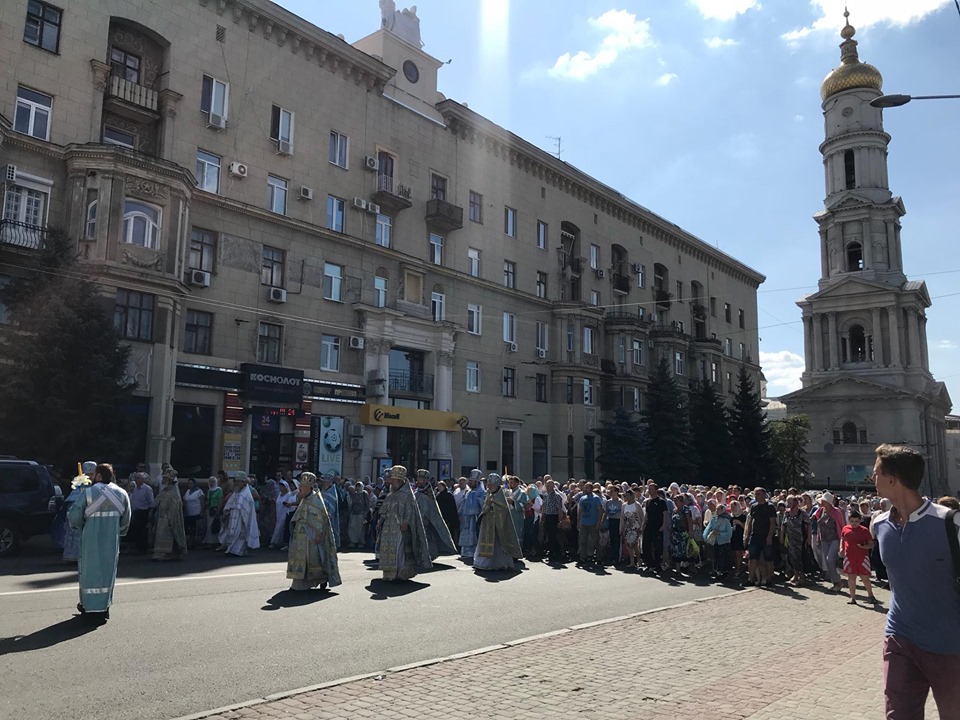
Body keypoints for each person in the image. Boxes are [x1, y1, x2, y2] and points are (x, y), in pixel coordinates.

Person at [870, 444, 960, 717]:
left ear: (892, 479)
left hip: (949, 645)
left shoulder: (950, 523)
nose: (872, 479)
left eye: (876, 473)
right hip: (899, 638)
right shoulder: (879, 524)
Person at [68, 463, 131, 622]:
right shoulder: (122, 493)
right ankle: (104, 608)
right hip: (111, 540)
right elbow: (126, 520)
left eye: (95, 474)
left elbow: (75, 516)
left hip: (90, 539)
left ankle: (89, 608)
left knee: (89, 573)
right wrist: (119, 532)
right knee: (107, 573)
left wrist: (76, 524)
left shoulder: (88, 492)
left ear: (99, 476)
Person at [286, 472, 342, 591]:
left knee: (316, 560)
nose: (299, 490)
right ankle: (299, 582)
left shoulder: (316, 500)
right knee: (302, 560)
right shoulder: (305, 499)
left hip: (313, 537)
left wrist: (319, 534)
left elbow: (321, 520)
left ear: (309, 487)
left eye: (302, 488)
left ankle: (322, 579)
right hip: (301, 536)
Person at [377, 465, 431, 581]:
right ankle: (389, 573)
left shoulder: (407, 494)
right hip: (388, 527)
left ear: (400, 481)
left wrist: (405, 522)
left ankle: (401, 571)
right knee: (388, 549)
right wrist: (380, 521)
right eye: (392, 480)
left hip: (400, 526)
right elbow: (384, 509)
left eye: (394, 480)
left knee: (399, 550)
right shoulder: (391, 493)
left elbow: (410, 510)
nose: (392, 482)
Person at [474, 473, 523, 571]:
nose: (489, 487)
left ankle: (500, 563)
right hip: (487, 524)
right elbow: (484, 509)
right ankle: (484, 563)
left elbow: (503, 511)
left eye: (491, 485)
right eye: (489, 485)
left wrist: (493, 507)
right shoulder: (489, 494)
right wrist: (487, 505)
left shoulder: (501, 496)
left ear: (496, 485)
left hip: (498, 526)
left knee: (499, 546)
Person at [52, 461, 97, 562]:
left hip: (78, 513)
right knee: (76, 535)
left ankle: (74, 555)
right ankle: (74, 555)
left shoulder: (87, 486)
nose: (91, 476)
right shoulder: (82, 486)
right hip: (77, 513)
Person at [413, 469, 456, 560]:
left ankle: (428, 555)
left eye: (420, 479)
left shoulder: (428, 494)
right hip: (416, 519)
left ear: (425, 480)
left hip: (425, 521)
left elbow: (432, 509)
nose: (418, 480)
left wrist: (427, 518)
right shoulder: (417, 491)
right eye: (418, 478)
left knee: (426, 538)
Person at [838, 509, 876, 605]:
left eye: (856, 521)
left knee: (865, 578)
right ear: (849, 520)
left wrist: (864, 546)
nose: (854, 523)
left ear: (860, 520)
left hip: (862, 557)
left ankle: (871, 595)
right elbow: (842, 539)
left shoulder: (865, 530)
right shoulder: (845, 529)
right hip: (849, 557)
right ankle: (853, 598)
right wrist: (841, 548)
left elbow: (871, 544)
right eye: (852, 521)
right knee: (851, 577)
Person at [218, 471, 260, 557]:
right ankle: (231, 549)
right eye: (235, 481)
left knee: (240, 535)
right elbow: (230, 503)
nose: (236, 483)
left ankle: (239, 551)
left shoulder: (247, 495)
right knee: (232, 532)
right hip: (233, 515)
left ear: (243, 482)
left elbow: (248, 509)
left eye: (238, 481)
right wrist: (227, 510)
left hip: (241, 518)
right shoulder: (236, 492)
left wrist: (242, 513)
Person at [743, 487, 777, 587]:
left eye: (758, 494)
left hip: (766, 535)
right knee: (752, 558)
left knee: (767, 558)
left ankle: (769, 579)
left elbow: (772, 523)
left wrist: (769, 536)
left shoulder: (770, 507)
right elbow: (750, 522)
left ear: (763, 495)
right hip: (755, 535)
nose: (756, 496)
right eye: (755, 494)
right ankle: (751, 578)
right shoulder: (754, 507)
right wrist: (748, 535)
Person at [153, 468, 187, 560]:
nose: (163, 480)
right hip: (161, 516)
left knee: (170, 535)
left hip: (169, 518)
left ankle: (170, 553)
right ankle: (161, 553)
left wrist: (169, 517)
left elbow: (175, 506)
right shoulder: (165, 490)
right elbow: (156, 501)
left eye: (165, 479)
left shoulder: (174, 492)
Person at [815, 492, 845, 592]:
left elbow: (842, 525)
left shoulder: (836, 512)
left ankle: (838, 581)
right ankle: (835, 582)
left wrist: (843, 540)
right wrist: (818, 538)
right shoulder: (820, 511)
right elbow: (819, 526)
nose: (822, 503)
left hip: (835, 538)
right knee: (827, 561)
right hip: (824, 539)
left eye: (824, 501)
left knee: (830, 559)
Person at [781, 495, 810, 585]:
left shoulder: (802, 513)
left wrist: (809, 538)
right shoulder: (787, 513)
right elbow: (783, 525)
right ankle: (795, 574)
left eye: (790, 502)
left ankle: (802, 576)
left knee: (799, 557)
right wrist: (782, 536)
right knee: (791, 557)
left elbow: (808, 525)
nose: (788, 504)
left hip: (800, 538)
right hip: (790, 538)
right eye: (787, 502)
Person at [458, 469, 486, 560]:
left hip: (475, 517)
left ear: (477, 482)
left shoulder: (482, 492)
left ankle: (474, 551)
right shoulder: (468, 491)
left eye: (472, 481)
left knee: (474, 534)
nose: (470, 483)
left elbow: (484, 504)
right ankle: (465, 551)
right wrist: (460, 513)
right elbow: (463, 502)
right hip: (466, 517)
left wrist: (477, 499)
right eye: (469, 481)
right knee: (465, 532)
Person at [577, 482, 603, 568]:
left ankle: (599, 557)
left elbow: (600, 510)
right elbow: (580, 511)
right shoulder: (582, 498)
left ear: (591, 489)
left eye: (587, 488)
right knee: (583, 540)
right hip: (584, 523)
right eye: (584, 488)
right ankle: (583, 557)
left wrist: (599, 522)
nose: (585, 489)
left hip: (593, 523)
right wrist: (578, 522)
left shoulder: (596, 498)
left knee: (596, 541)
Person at [128, 471, 154, 554]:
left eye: (138, 478)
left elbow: (151, 502)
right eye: (135, 478)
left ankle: (143, 548)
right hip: (136, 511)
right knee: (136, 530)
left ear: (142, 480)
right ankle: (137, 547)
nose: (136, 480)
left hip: (143, 511)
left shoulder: (147, 489)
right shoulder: (135, 489)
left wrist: (150, 512)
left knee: (142, 531)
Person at [620, 488, 643, 570]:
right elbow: (622, 518)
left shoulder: (637, 505)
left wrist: (641, 526)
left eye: (628, 495)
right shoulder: (624, 505)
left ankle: (639, 559)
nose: (627, 497)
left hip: (635, 527)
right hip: (627, 527)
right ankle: (632, 561)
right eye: (625, 495)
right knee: (628, 545)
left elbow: (641, 516)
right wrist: (621, 528)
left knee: (634, 544)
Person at [435, 480, 460, 551]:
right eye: (438, 486)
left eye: (440, 486)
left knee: (450, 532)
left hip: (449, 517)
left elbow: (453, 507)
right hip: (441, 516)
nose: (439, 487)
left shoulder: (449, 495)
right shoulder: (438, 495)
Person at [182, 477, 205, 549]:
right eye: (188, 483)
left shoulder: (199, 491)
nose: (190, 485)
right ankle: (188, 541)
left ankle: (193, 542)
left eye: (191, 483)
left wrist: (202, 511)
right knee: (188, 527)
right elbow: (185, 500)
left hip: (196, 512)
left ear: (194, 484)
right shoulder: (187, 491)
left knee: (193, 528)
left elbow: (202, 502)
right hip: (189, 513)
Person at [268, 480, 292, 548]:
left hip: (284, 512)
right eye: (280, 486)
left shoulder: (289, 495)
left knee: (279, 527)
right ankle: (280, 542)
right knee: (279, 526)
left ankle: (273, 542)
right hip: (278, 512)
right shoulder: (279, 494)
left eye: (282, 486)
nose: (281, 488)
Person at [202, 476, 223, 546]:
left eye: (213, 481)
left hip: (216, 509)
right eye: (210, 481)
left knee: (216, 525)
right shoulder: (209, 491)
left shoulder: (219, 490)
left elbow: (220, 500)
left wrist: (218, 509)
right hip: (210, 510)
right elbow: (208, 500)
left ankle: (217, 541)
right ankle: (210, 541)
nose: (211, 483)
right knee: (209, 526)